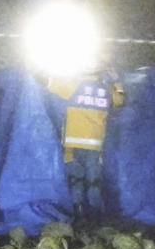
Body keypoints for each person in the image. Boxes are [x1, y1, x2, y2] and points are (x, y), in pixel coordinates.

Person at [46, 69, 124, 223]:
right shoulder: (106, 90)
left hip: (73, 144)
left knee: (76, 179)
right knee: (93, 180)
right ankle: (95, 217)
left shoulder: (74, 86)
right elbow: (120, 101)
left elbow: (47, 82)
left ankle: (79, 214)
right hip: (95, 145)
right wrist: (117, 83)